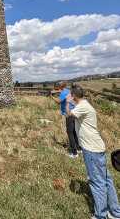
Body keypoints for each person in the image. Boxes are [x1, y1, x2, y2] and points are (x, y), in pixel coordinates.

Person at [65, 86, 120, 219]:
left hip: (91, 149)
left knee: (96, 181)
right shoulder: (86, 104)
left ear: (73, 95)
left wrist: (67, 102)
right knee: (106, 180)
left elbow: (69, 115)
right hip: (98, 147)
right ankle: (115, 212)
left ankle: (100, 215)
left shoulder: (82, 106)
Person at [51, 80, 81, 158]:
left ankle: (74, 153)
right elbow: (62, 91)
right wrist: (57, 91)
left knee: (70, 132)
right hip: (73, 112)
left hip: (69, 114)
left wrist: (53, 97)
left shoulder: (63, 93)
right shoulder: (67, 90)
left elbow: (59, 101)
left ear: (60, 85)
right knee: (74, 131)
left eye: (58, 85)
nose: (58, 87)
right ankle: (78, 148)